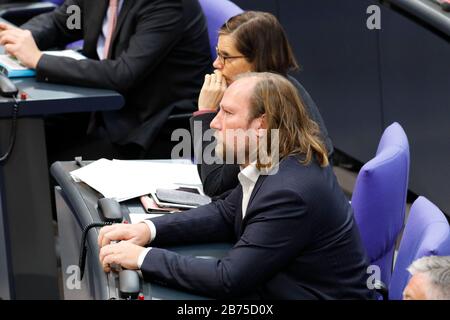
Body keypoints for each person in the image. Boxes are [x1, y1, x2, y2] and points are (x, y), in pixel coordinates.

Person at [98, 72, 373, 299]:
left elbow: (227, 278)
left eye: (228, 113)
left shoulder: (290, 191)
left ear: (260, 125)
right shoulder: (278, 156)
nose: (214, 123)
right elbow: (226, 212)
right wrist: (147, 230)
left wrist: (143, 258)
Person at [0, 0, 211, 160]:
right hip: (100, 107)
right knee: (20, 134)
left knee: (39, 155)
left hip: (148, 128)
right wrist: (19, 38)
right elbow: (60, 22)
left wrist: (38, 60)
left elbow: (124, 73)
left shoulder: (165, 4)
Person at [190, 11, 333, 198]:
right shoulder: (279, 88)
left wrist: (205, 112)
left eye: (226, 57)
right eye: (218, 54)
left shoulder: (271, 112)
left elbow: (216, 186)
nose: (217, 64)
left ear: (256, 60)